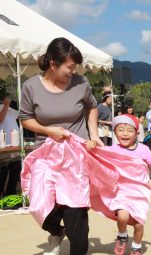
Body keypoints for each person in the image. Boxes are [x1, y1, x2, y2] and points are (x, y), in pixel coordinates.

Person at [19, 37, 103, 255]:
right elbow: (25, 119)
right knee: (38, 206)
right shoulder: (30, 87)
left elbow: (92, 107)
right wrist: (49, 130)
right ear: (53, 65)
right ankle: (56, 231)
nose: (73, 72)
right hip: (44, 154)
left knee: (76, 218)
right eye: (69, 67)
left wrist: (94, 134)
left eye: (75, 67)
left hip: (75, 155)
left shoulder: (81, 83)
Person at [109, 114, 151, 255]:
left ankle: (136, 246)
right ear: (114, 132)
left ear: (137, 133)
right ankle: (122, 235)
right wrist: (92, 145)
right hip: (121, 191)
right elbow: (97, 156)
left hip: (139, 192)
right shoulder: (112, 149)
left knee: (138, 224)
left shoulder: (143, 149)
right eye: (120, 130)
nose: (125, 134)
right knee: (123, 216)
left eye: (129, 130)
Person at [0, 97, 21, 197]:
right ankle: (2, 193)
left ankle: (10, 192)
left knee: (16, 166)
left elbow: (21, 116)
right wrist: (6, 105)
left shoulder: (11, 110)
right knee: (3, 168)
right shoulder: (3, 107)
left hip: (14, 144)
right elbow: (1, 119)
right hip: (3, 145)